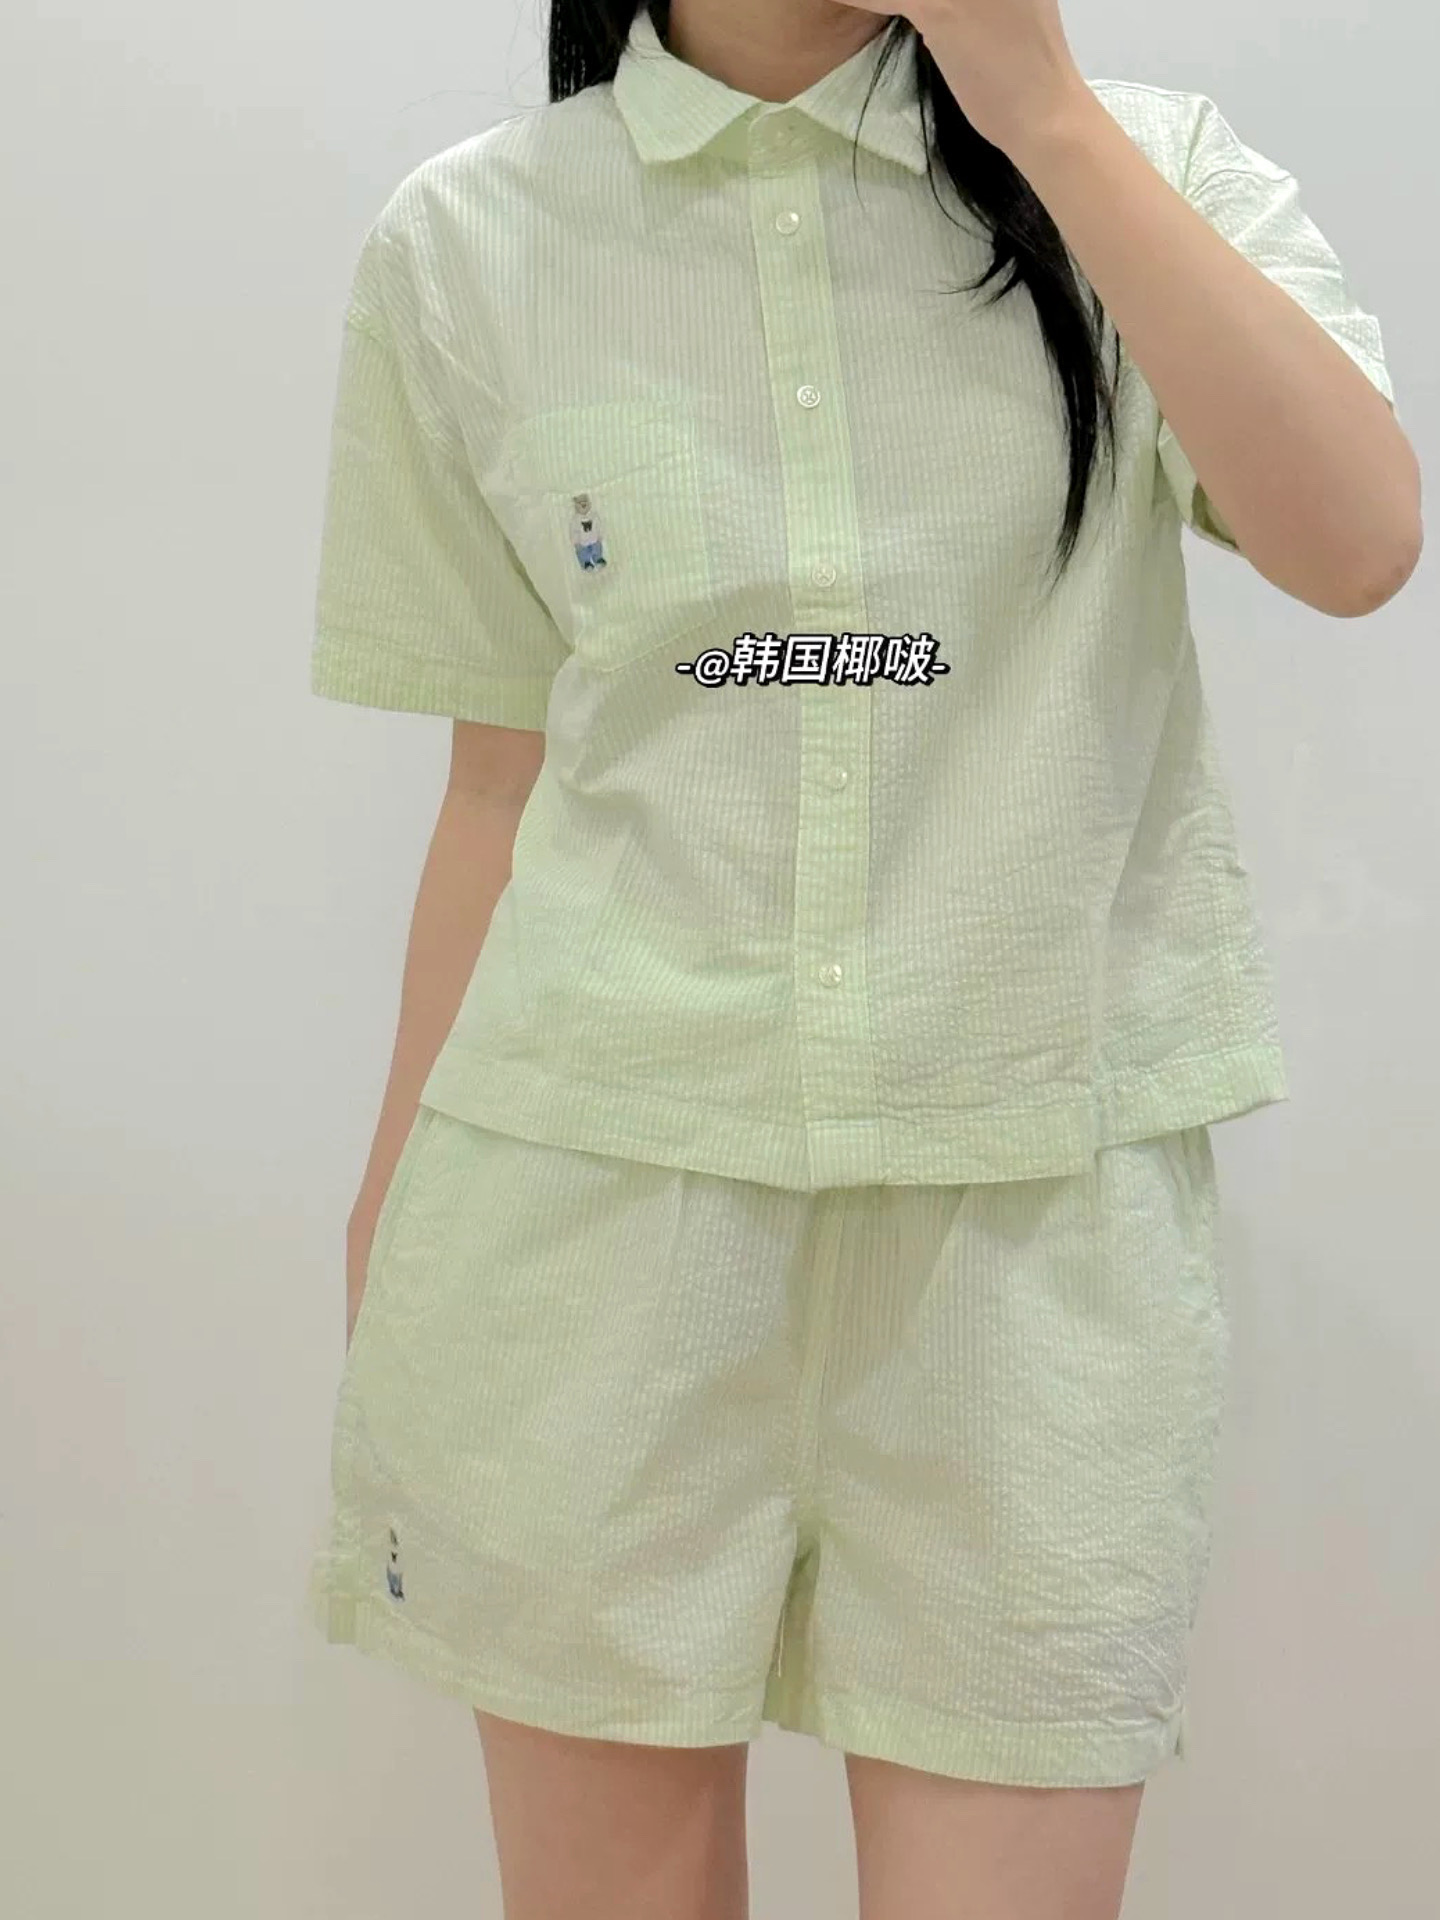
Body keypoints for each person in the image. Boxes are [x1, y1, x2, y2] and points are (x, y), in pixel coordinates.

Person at [305, 3, 1420, 1915]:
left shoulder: (1147, 167)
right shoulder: (472, 235)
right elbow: (495, 780)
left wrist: (1042, 113)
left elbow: (1360, 540)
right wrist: (396, 1193)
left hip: (1035, 1243)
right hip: (588, 1218)